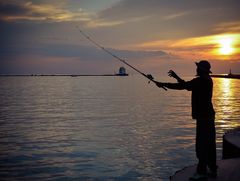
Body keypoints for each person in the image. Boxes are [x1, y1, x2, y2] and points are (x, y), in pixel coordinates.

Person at [155, 60, 217, 181]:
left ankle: (202, 173)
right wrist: (176, 77)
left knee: (202, 146)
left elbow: (183, 86)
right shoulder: (207, 80)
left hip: (203, 118)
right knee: (209, 145)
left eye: (198, 67)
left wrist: (163, 84)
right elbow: (187, 86)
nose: (196, 69)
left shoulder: (200, 81)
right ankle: (212, 169)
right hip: (208, 116)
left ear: (201, 70)